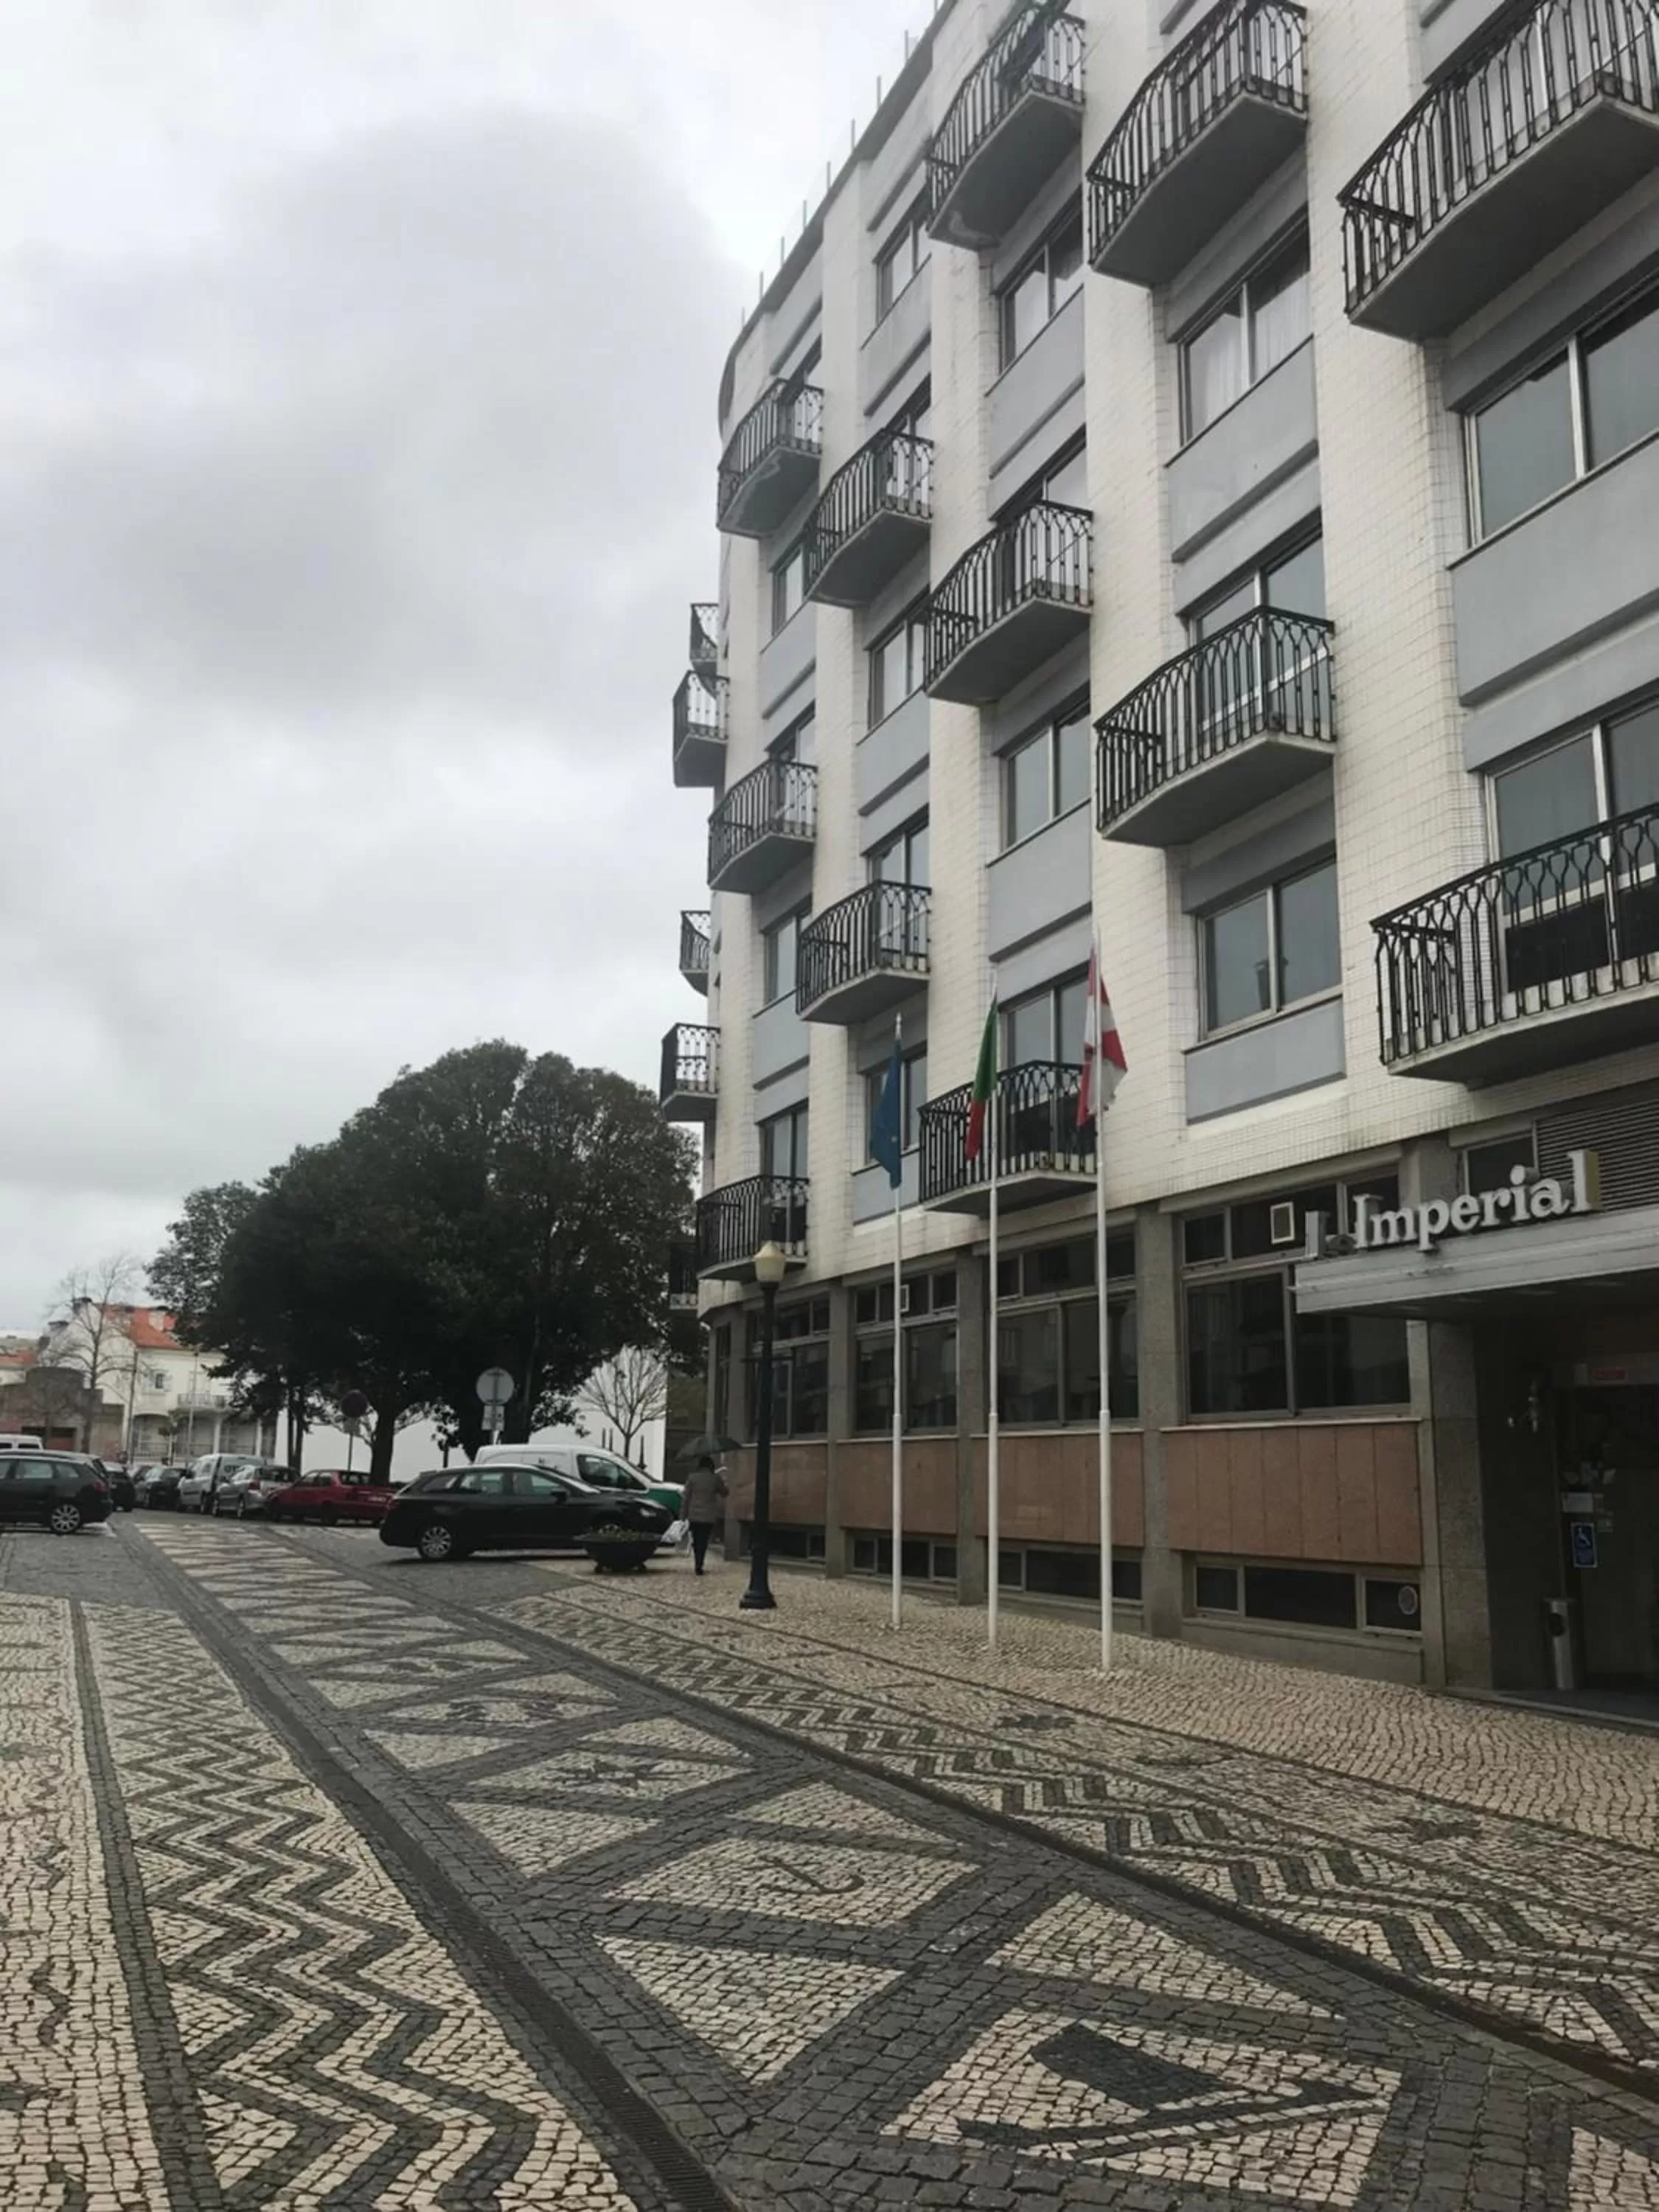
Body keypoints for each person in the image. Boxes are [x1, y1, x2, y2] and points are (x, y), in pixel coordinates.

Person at [680, 1453, 728, 1576]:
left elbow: (686, 1498)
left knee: (696, 1539)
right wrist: (724, 1481)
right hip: (708, 1516)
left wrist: (683, 1516)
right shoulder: (714, 1479)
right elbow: (725, 1492)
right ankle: (700, 1564)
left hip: (694, 1515)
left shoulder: (692, 1478)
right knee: (704, 1539)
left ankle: (697, 1562)